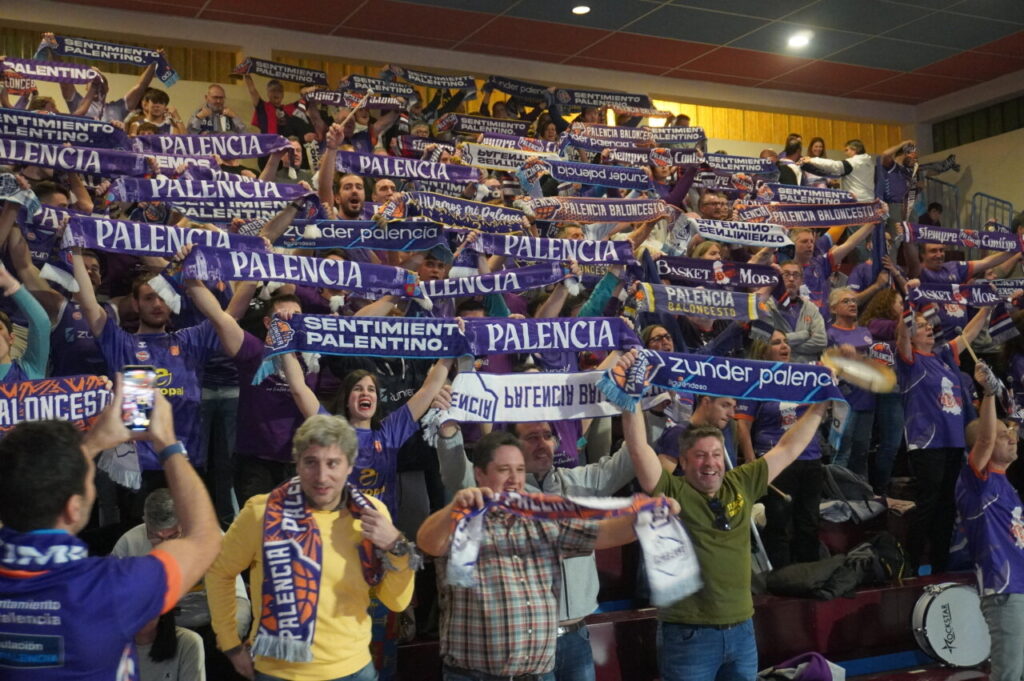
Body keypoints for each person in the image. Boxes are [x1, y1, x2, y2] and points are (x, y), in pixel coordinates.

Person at [619, 349, 829, 681]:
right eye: (700, 456)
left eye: (716, 454)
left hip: (742, 630)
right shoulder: (671, 491)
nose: (710, 463)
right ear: (684, 462)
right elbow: (638, 448)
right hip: (689, 636)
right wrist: (629, 400)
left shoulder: (741, 482)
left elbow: (789, 448)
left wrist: (820, 404)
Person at [0, 378, 222, 679]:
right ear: (72, 508)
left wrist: (93, 442)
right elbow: (204, 538)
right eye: (89, 482)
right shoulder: (111, 589)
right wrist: (167, 442)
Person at [418, 429, 662, 681]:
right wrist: (453, 509)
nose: (514, 478)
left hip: (534, 673)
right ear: (480, 474)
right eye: (504, 470)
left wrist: (646, 518)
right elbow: (427, 543)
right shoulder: (463, 520)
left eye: (520, 470)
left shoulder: (543, 521)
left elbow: (604, 534)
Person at [207, 414, 416, 681]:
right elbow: (219, 572)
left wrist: (397, 545)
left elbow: (395, 602)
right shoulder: (261, 513)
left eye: (333, 463)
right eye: (311, 462)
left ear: (350, 465)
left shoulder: (373, 515)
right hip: (280, 672)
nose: (321, 476)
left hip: (353, 669)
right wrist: (229, 642)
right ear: (297, 463)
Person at [896, 299, 992, 574]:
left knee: (948, 504)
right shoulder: (910, 362)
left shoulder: (942, 355)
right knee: (929, 501)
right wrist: (906, 313)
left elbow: (967, 336)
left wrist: (987, 308)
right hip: (926, 442)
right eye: (921, 326)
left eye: (929, 325)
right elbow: (902, 335)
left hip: (953, 441)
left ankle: (939, 565)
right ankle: (911, 564)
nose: (927, 329)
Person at [956, 362, 1023, 681]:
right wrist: (988, 393)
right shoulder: (975, 482)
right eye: (1002, 436)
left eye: (1010, 435)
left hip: (1020, 585)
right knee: (1008, 674)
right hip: (1005, 588)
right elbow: (983, 441)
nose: (1011, 439)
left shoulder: (1007, 486)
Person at [764, 262, 827, 364]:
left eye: (796, 275)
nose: (791, 279)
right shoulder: (767, 306)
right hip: (776, 369)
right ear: (778, 279)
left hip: (806, 371)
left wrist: (782, 342)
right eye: (786, 274)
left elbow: (821, 341)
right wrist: (804, 335)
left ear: (801, 281)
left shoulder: (811, 308)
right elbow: (765, 342)